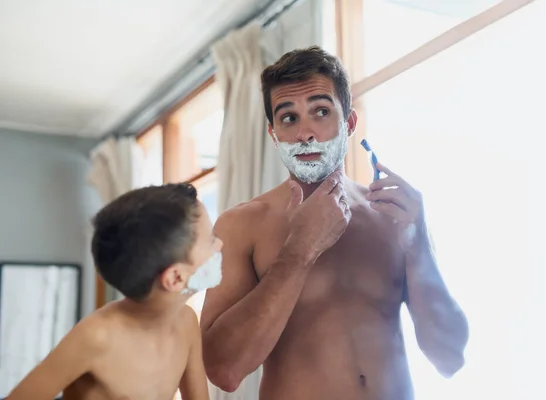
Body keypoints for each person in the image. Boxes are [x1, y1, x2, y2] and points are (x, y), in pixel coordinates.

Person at [200, 46, 469, 400]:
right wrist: (298, 252)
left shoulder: (392, 217)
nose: (305, 134)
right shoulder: (241, 226)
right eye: (289, 118)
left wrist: (418, 245)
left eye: (321, 112)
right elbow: (223, 369)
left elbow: (449, 357)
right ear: (273, 133)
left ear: (350, 123)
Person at [7, 183, 221, 400]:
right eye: (211, 240)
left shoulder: (187, 324)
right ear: (175, 278)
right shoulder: (96, 336)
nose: (220, 245)